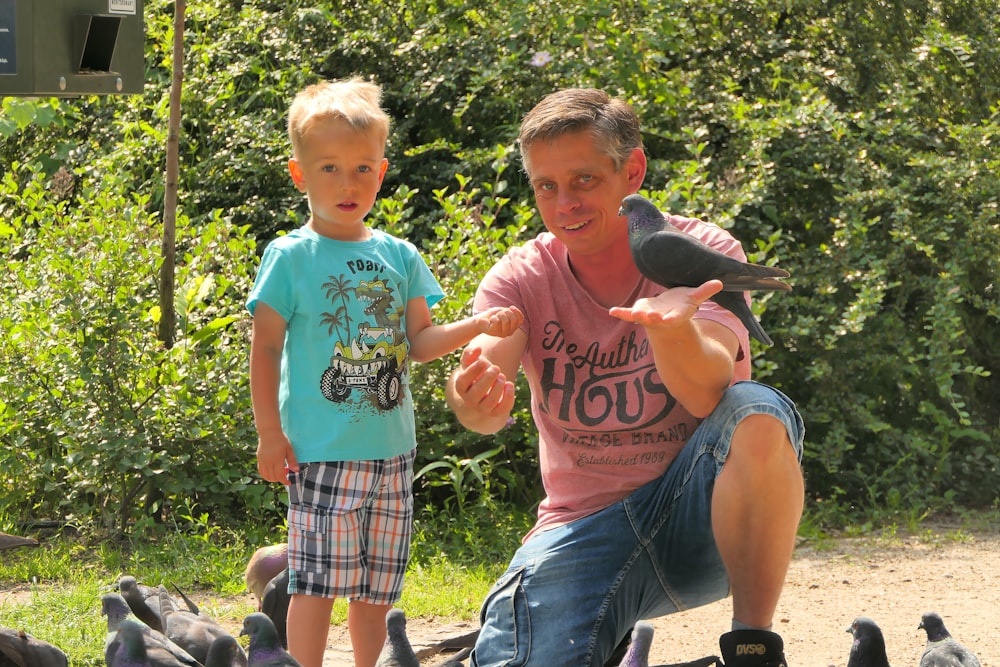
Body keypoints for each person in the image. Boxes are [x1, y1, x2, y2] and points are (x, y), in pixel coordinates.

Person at [445, 88, 805, 667]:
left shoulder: (700, 247)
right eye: (546, 186)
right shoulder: (521, 275)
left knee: (757, 411)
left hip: (704, 522)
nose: (565, 203)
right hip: (582, 527)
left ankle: (753, 648)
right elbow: (484, 392)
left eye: (584, 179)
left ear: (631, 170)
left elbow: (711, 387)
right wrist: (473, 394)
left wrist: (671, 331)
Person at [247, 77, 523, 667]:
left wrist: (476, 326)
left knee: (378, 588)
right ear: (299, 174)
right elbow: (265, 348)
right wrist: (270, 433)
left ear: (382, 169)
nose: (348, 184)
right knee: (317, 583)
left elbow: (420, 343)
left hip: (393, 455)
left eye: (363, 169)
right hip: (320, 453)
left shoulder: (399, 255)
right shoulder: (291, 255)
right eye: (329, 169)